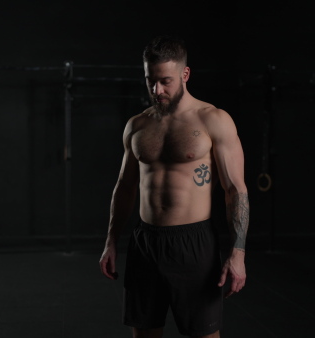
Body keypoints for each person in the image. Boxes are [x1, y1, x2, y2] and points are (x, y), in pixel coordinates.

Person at [99, 35, 249, 338]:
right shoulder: (137, 125)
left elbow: (235, 189)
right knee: (144, 333)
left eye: (165, 81)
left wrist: (238, 252)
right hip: (145, 242)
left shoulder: (214, 120)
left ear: (185, 74)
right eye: (150, 81)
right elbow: (125, 186)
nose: (157, 90)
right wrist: (111, 239)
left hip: (193, 244)